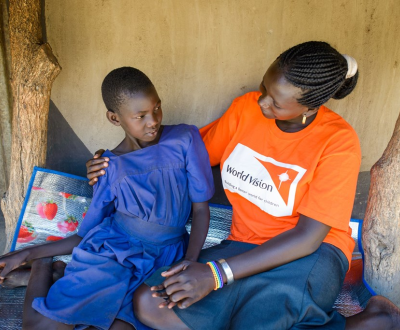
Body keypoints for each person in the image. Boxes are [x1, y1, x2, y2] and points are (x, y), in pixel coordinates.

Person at [86, 41, 400, 330]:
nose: (262, 102)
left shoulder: (338, 141)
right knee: (151, 302)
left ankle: (373, 321)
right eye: (264, 88)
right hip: (244, 244)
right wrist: (114, 160)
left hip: (310, 255)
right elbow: (182, 152)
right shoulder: (246, 109)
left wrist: (216, 275)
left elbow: (307, 238)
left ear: (309, 108)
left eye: (275, 102)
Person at [0, 67, 214, 330]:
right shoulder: (107, 166)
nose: (153, 121)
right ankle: (42, 267)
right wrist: (27, 254)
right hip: (112, 252)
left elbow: (201, 210)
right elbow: (84, 235)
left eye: (157, 108)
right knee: (41, 328)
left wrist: (189, 260)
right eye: (141, 116)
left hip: (166, 256)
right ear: (115, 118)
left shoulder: (185, 138)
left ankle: (61, 276)